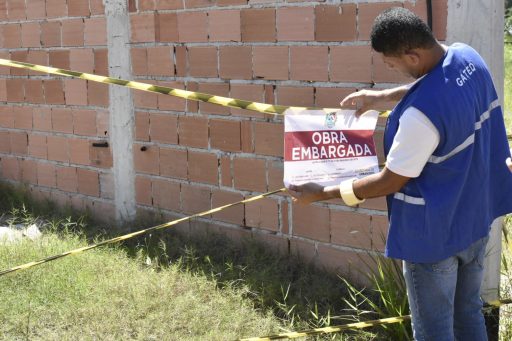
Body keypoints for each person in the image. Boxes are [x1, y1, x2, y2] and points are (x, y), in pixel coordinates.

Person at [288, 7, 512, 341]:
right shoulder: (468, 58)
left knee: (435, 331)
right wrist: (380, 97)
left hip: (433, 239)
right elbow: (434, 85)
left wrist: (323, 192)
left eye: (392, 64)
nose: (392, 70)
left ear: (412, 54)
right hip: (475, 220)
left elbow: (390, 181)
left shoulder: (420, 119)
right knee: (468, 314)